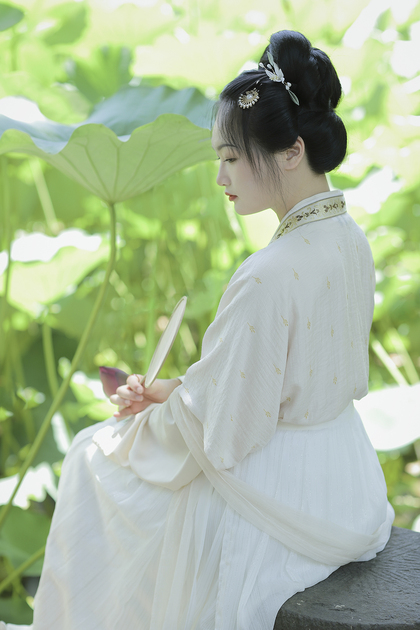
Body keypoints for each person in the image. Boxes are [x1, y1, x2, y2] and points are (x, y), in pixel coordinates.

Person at [1, 29, 394, 630]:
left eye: (232, 157)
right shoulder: (351, 238)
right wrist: (172, 393)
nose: (221, 177)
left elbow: (228, 432)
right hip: (347, 478)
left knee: (90, 459)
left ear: (291, 151)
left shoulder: (267, 274)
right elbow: (262, 387)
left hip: (282, 494)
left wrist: (149, 420)